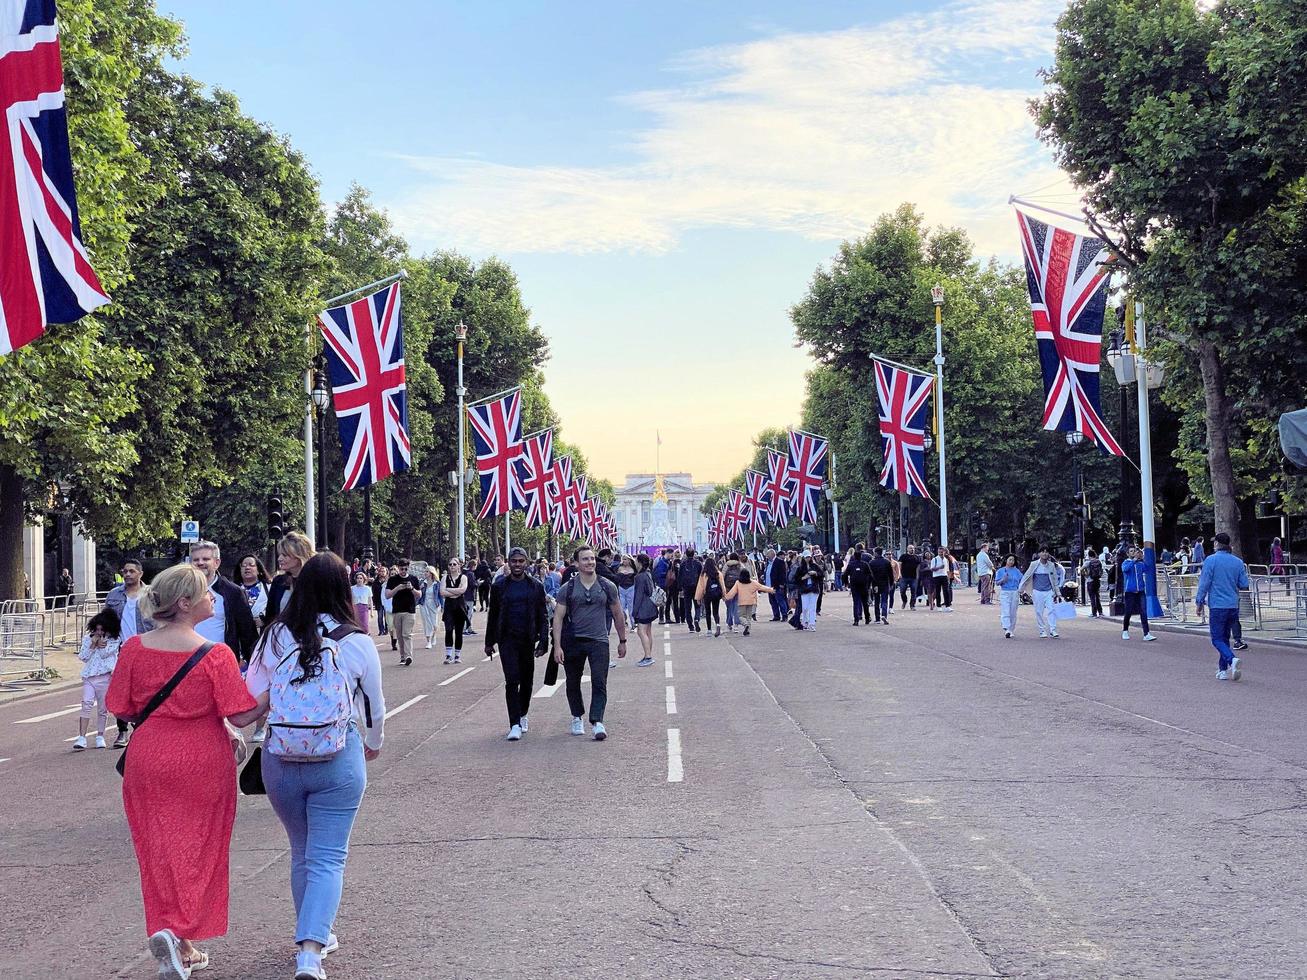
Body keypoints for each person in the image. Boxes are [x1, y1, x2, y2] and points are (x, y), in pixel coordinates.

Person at [106, 563, 262, 979]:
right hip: (202, 757)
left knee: (156, 847)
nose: (214, 596)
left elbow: (119, 706)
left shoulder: (135, 648)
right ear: (185, 603)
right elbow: (244, 713)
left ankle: (173, 935)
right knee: (200, 846)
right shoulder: (217, 655)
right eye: (207, 592)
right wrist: (274, 690)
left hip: (149, 754)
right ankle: (183, 930)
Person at [245, 552, 385, 980]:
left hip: (281, 756)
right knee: (328, 856)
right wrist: (373, 745)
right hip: (337, 753)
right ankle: (310, 951)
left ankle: (314, 930)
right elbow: (375, 709)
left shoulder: (273, 637)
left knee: (302, 850)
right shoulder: (356, 640)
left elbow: (250, 698)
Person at [552, 546, 626, 740]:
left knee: (599, 680)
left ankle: (597, 720)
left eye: (592, 559)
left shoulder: (607, 586)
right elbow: (558, 617)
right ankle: (577, 716)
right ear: (576, 563)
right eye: (585, 559)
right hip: (573, 641)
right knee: (572, 681)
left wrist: (622, 640)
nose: (590, 562)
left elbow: (618, 613)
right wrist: (557, 646)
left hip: (599, 640)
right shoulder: (567, 588)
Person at [485, 547, 549, 740]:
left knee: (527, 681)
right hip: (507, 639)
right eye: (514, 561)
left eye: (521, 561)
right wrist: (489, 642)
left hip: (528, 638)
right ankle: (514, 723)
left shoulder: (535, 586)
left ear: (527, 563)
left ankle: (523, 713)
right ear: (508, 563)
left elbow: (543, 616)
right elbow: (493, 615)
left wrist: (543, 641)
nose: (518, 565)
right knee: (512, 680)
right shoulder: (499, 587)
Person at [104, 559, 154, 748]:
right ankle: (122, 731)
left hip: (146, 647)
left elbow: (159, 620)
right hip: (121, 649)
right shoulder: (114, 595)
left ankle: (140, 728)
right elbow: (107, 619)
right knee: (122, 691)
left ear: (140, 573)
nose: (127, 574)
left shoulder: (151, 594)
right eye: (125, 571)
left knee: (144, 690)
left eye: (131, 571)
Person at [188, 540, 258, 666]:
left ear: (217, 563)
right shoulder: (182, 591)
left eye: (205, 559)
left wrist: (253, 665)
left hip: (221, 663)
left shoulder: (233, 592)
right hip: (187, 662)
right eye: (196, 560)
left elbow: (248, 633)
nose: (200, 563)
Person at [1195, 532, 1250, 682]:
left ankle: (1231, 660)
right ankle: (1222, 670)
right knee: (1224, 638)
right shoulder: (1237, 562)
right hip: (1233, 604)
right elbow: (1244, 584)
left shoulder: (1211, 560)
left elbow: (1204, 583)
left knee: (1217, 639)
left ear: (1217, 544)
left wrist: (1199, 602)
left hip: (1218, 605)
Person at [73, 608, 121, 750]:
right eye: (97, 630)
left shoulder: (114, 640)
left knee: (102, 708)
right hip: (89, 676)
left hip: (105, 677)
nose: (99, 633)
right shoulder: (88, 639)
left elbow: (106, 653)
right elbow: (83, 656)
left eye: (102, 630)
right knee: (86, 703)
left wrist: (99, 645)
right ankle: (82, 737)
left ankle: (100, 735)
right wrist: (93, 645)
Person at [267, 532, 317, 627]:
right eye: (279, 555)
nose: (279, 559)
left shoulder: (315, 581)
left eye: (285, 555)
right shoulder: (278, 582)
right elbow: (271, 615)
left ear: (299, 556)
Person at [1019, 548, 1066, 638]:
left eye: (1046, 552)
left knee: (1051, 610)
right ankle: (1042, 630)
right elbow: (1027, 576)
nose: (1044, 553)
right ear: (1039, 554)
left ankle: (1053, 629)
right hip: (1037, 591)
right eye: (1042, 552)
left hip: (1049, 591)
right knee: (1039, 611)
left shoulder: (1051, 565)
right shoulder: (1034, 564)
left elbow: (1054, 579)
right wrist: (1021, 589)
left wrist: (1058, 592)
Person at [385, 558, 421, 667]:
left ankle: (408, 656)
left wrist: (412, 588)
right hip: (397, 610)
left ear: (408, 568)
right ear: (398, 568)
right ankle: (402, 656)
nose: (403, 571)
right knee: (400, 635)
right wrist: (398, 588)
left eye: (406, 569)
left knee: (407, 634)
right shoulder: (393, 580)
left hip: (409, 610)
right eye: (401, 569)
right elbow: (387, 595)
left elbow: (419, 594)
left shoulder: (413, 579)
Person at [1119, 545, 1157, 641]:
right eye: (1131, 551)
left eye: (1134, 551)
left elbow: (1148, 569)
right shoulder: (1126, 563)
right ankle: (1125, 630)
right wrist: (1134, 560)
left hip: (1140, 591)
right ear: (1128, 553)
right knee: (1128, 612)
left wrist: (1143, 558)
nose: (1133, 552)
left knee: (1143, 612)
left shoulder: (1140, 564)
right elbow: (1125, 569)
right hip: (1130, 592)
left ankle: (1146, 633)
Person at [438, 558, 472, 665]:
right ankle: (448, 655)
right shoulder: (444, 578)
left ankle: (457, 655)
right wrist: (455, 592)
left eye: (454, 564)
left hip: (460, 607)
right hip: (449, 607)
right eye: (450, 564)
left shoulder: (463, 577)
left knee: (458, 631)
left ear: (459, 566)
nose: (452, 566)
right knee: (448, 630)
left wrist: (449, 589)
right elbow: (442, 592)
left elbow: (462, 590)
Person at [724, 567, 773, 637]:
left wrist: (726, 597)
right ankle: (748, 630)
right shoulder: (753, 582)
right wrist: (771, 590)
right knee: (748, 617)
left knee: (741, 616)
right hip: (751, 602)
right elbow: (762, 587)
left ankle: (745, 624)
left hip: (741, 602)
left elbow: (732, 592)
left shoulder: (738, 583)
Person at [631, 553, 660, 666]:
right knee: (648, 631)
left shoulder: (639, 577)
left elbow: (638, 596)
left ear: (640, 563)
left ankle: (648, 656)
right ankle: (648, 654)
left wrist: (634, 611)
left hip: (643, 607)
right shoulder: (648, 574)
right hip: (650, 606)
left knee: (641, 631)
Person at [237, 555, 272, 630]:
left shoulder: (269, 588)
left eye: (251, 565)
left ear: (258, 570)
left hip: (264, 632)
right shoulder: (233, 589)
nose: (247, 568)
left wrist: (264, 620)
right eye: (244, 565)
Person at [697, 555, 726, 637]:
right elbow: (722, 585)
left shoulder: (704, 574)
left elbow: (700, 587)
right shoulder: (718, 573)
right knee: (716, 612)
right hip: (716, 594)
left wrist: (698, 598)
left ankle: (709, 630)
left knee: (708, 612)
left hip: (707, 595)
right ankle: (718, 624)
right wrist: (724, 595)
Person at [995, 556, 1023, 638]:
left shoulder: (1016, 571)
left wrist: (1021, 589)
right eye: (1010, 560)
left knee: (1013, 612)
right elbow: (997, 583)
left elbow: (1022, 580)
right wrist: (1003, 579)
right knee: (1006, 609)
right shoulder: (1001, 571)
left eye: (1013, 560)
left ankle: (1011, 629)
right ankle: (1006, 627)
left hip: (1015, 592)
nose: (1011, 561)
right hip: (1005, 591)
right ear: (1006, 560)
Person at [844, 546, 871, 625]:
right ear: (861, 557)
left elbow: (845, 575)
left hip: (854, 585)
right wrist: (869, 584)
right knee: (865, 602)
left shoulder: (851, 565)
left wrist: (847, 583)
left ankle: (856, 619)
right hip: (863, 585)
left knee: (856, 602)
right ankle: (867, 618)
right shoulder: (865, 564)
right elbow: (870, 575)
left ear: (854, 557)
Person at [678, 548, 702, 633]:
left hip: (686, 587)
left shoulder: (683, 564)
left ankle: (690, 626)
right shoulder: (698, 564)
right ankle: (697, 618)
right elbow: (701, 576)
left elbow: (680, 576)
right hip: (696, 587)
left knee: (687, 607)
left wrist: (680, 587)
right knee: (698, 605)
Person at [419, 566, 442, 650]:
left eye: (427, 572)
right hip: (424, 604)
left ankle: (434, 636)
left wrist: (442, 606)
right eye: (425, 571)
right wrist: (420, 588)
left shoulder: (437, 583)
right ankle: (428, 641)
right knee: (426, 622)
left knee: (434, 624)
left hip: (433, 604)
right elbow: (417, 593)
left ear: (431, 573)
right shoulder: (422, 582)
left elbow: (440, 595)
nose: (425, 573)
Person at [869, 547, 893, 624]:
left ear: (875, 553)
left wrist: (872, 584)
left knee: (877, 601)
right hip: (885, 583)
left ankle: (877, 618)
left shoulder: (872, 562)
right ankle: (884, 615)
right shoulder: (887, 562)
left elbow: (870, 575)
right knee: (884, 600)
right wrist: (891, 583)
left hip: (876, 584)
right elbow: (890, 574)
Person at [722, 553, 745, 632]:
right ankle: (736, 625)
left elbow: (722, 576)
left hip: (728, 589)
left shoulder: (726, 565)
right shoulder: (740, 565)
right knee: (736, 606)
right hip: (738, 588)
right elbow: (745, 576)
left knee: (729, 607)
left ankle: (729, 623)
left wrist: (723, 588)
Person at [764, 548, 788, 621]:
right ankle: (776, 616)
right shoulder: (768, 563)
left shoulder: (779, 562)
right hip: (769, 586)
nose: (767, 557)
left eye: (768, 555)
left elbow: (783, 574)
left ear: (772, 554)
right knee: (772, 601)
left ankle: (784, 615)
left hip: (777, 585)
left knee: (780, 600)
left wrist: (782, 583)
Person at [615, 554, 637, 629]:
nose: (624, 561)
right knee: (621, 608)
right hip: (621, 588)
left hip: (631, 588)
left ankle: (633, 623)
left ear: (629, 560)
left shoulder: (634, 568)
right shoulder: (619, 567)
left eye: (625, 559)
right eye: (623, 559)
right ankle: (623, 622)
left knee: (631, 608)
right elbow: (615, 577)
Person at [929, 547, 952, 611]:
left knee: (946, 591)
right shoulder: (934, 559)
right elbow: (932, 569)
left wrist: (948, 577)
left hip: (944, 576)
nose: (941, 553)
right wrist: (939, 567)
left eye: (942, 552)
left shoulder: (945, 559)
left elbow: (947, 569)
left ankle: (947, 606)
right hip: (936, 576)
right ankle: (938, 606)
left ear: (944, 552)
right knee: (937, 591)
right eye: (939, 552)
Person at [1084, 548, 1104, 618]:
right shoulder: (1098, 561)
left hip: (1090, 581)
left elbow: (1080, 569)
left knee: (1092, 598)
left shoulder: (1087, 562)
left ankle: (1094, 613)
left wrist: (1085, 574)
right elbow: (1101, 571)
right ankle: (1100, 612)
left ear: (1089, 555)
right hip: (1097, 580)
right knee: (1097, 596)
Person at [370, 565, 388, 638]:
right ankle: (381, 630)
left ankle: (387, 629)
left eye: (384, 571)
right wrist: (374, 602)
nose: (382, 573)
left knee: (387, 616)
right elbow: (373, 592)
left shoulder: (388, 581)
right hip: (379, 602)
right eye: (381, 571)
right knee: (380, 616)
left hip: (386, 601)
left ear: (386, 572)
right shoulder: (376, 582)